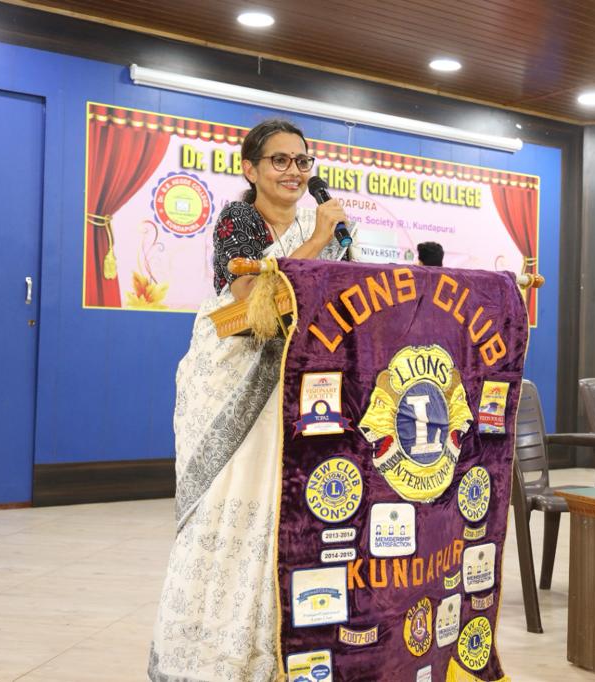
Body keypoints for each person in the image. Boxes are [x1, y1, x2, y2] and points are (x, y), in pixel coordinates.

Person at [149, 119, 354, 682]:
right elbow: (250, 301)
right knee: (234, 506)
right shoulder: (238, 220)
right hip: (233, 378)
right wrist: (317, 240)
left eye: (302, 161)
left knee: (287, 513)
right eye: (279, 160)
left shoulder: (328, 226)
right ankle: (214, 657)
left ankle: (278, 653)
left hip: (303, 383)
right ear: (251, 169)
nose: (294, 171)